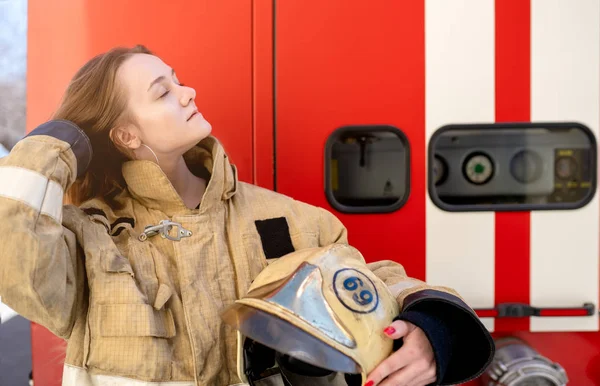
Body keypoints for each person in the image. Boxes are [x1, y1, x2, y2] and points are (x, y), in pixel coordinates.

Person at [0, 45, 494, 386]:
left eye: (179, 81)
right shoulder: (90, 238)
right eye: (162, 92)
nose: (188, 93)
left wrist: (432, 330)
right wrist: (51, 145)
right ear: (127, 136)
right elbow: (14, 262)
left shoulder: (289, 220)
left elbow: (374, 284)